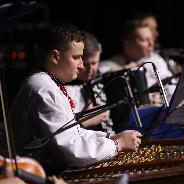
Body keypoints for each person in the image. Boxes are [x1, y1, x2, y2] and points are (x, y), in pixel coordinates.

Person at [10, 22, 141, 174]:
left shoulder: (50, 83)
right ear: (55, 56)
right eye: (77, 57)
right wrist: (117, 145)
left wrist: (110, 137)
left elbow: (74, 132)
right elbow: (72, 150)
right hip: (34, 174)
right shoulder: (43, 88)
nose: (81, 65)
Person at [100, 19, 176, 103]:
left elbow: (172, 90)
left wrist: (161, 98)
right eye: (145, 40)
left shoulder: (156, 60)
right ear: (128, 45)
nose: (151, 44)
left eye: (151, 39)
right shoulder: (107, 67)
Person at [66, 32, 114, 134]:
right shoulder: (66, 89)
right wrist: (83, 120)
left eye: (94, 63)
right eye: (86, 64)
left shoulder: (107, 76)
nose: (91, 69)